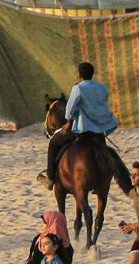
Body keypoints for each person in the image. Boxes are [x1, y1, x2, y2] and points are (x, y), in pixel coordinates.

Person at [44, 60, 118, 191]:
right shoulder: (102, 88)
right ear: (92, 74)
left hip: (82, 129)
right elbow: (103, 103)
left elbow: (70, 109)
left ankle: (50, 177)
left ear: (80, 75)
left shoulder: (78, 88)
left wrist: (68, 122)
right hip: (99, 130)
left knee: (54, 143)